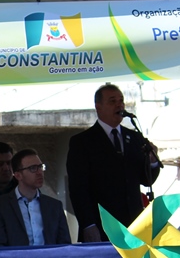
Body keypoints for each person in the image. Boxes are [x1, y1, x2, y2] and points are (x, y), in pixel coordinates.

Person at [66, 83, 161, 241]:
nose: (119, 105)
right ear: (98, 107)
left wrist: (152, 162)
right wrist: (88, 225)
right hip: (103, 226)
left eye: (121, 101)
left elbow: (146, 180)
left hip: (134, 226)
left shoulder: (134, 137)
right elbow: (78, 189)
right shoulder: (82, 142)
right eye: (112, 101)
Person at [0, 149, 71, 247]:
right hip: (16, 257)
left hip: (49, 256)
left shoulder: (55, 206)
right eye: (33, 168)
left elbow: (65, 245)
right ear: (18, 175)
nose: (39, 172)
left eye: (40, 167)